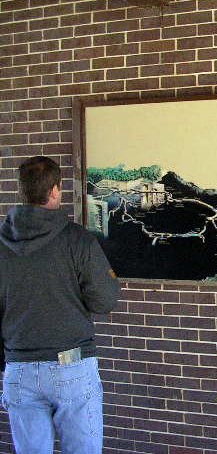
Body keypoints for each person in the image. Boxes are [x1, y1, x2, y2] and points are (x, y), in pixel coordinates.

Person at [0, 156, 120, 454]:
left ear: (22, 190)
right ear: (55, 190)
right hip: (72, 366)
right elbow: (105, 300)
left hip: (18, 368)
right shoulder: (78, 240)